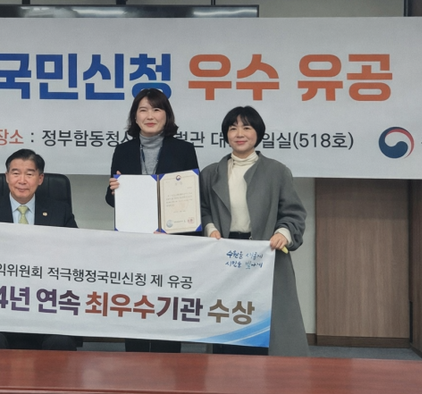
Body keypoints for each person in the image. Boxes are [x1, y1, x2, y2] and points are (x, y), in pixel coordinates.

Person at [199, 105, 308, 357]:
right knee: (226, 315)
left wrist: (283, 233)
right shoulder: (210, 173)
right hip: (225, 254)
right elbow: (202, 210)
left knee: (266, 321)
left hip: (266, 253)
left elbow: (293, 213)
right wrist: (210, 228)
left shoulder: (277, 171)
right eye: (233, 128)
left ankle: (267, 374)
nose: (239, 134)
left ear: (258, 133)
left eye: (246, 127)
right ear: (225, 135)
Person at [105, 88, 199, 353]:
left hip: (171, 243)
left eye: (156, 109)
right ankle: (133, 364)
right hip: (134, 244)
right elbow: (112, 200)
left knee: (166, 307)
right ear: (135, 117)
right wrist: (114, 190)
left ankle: (168, 363)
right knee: (136, 306)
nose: (150, 116)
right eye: (143, 110)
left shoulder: (183, 149)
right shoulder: (122, 151)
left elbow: (190, 197)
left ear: (166, 115)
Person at [0, 148, 78, 350]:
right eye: (16, 173)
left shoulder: (60, 212)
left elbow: (75, 254)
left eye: (29, 174)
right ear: (7, 177)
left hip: (46, 304)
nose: (22, 180)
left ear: (40, 178)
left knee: (60, 342)